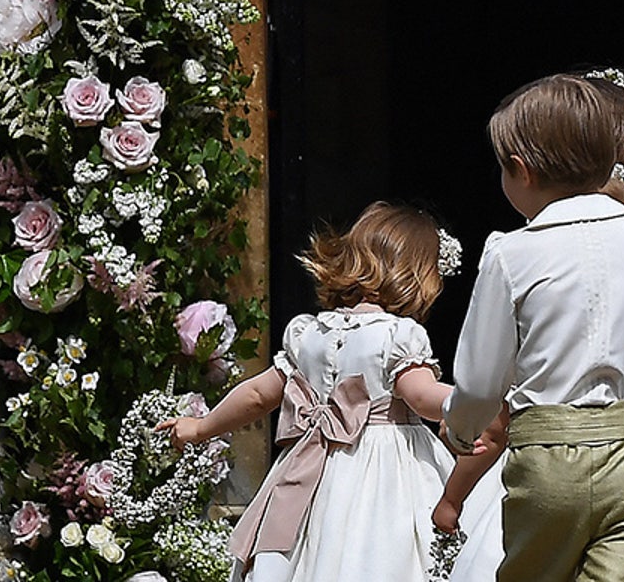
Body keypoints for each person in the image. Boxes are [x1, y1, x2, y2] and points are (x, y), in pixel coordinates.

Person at [441, 73, 624, 582]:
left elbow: (483, 376)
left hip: (546, 465)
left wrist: (463, 428)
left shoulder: (511, 253)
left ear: (521, 171)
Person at [159, 203, 464, 582]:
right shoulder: (397, 336)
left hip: (311, 467)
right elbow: (421, 396)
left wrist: (201, 427)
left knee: (309, 550)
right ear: (419, 277)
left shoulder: (310, 333)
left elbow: (257, 394)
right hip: (386, 476)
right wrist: (467, 404)